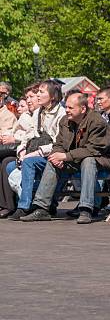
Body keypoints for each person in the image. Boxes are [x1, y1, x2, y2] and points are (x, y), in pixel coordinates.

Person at [19, 92, 110, 223]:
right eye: (66, 107)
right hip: (76, 157)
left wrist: (66, 156)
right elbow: (58, 144)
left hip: (105, 157)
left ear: (83, 109)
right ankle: (41, 208)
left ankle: (86, 209)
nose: (67, 110)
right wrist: (58, 156)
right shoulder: (65, 121)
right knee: (52, 161)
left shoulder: (97, 121)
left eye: (70, 108)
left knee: (88, 160)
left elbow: (93, 149)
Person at [9, 80, 66, 220]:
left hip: (53, 153)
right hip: (35, 152)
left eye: (41, 92)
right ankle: (31, 202)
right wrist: (22, 149)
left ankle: (25, 206)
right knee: (11, 165)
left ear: (52, 96)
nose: (38, 95)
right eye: (38, 92)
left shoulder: (61, 113)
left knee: (29, 162)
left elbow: (58, 142)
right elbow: (29, 134)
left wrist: (37, 152)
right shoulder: (38, 112)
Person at [0, 84, 40, 218]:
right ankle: (9, 204)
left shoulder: (13, 114)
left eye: (31, 97)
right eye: (27, 97)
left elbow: (33, 135)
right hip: (20, 149)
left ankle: (13, 205)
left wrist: (13, 137)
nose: (20, 107)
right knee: (6, 162)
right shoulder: (30, 115)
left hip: (24, 150)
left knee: (7, 162)